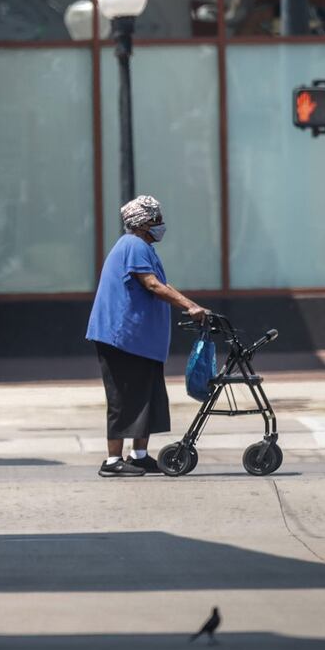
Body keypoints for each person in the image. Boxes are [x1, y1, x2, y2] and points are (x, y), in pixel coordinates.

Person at [86, 195, 208, 477]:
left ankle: (138, 455)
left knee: (145, 397)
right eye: (156, 219)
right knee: (123, 397)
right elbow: (152, 285)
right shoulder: (133, 245)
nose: (160, 224)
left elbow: (162, 284)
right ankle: (112, 460)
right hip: (122, 339)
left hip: (140, 341)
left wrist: (192, 304)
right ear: (141, 224)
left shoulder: (141, 247)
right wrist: (190, 306)